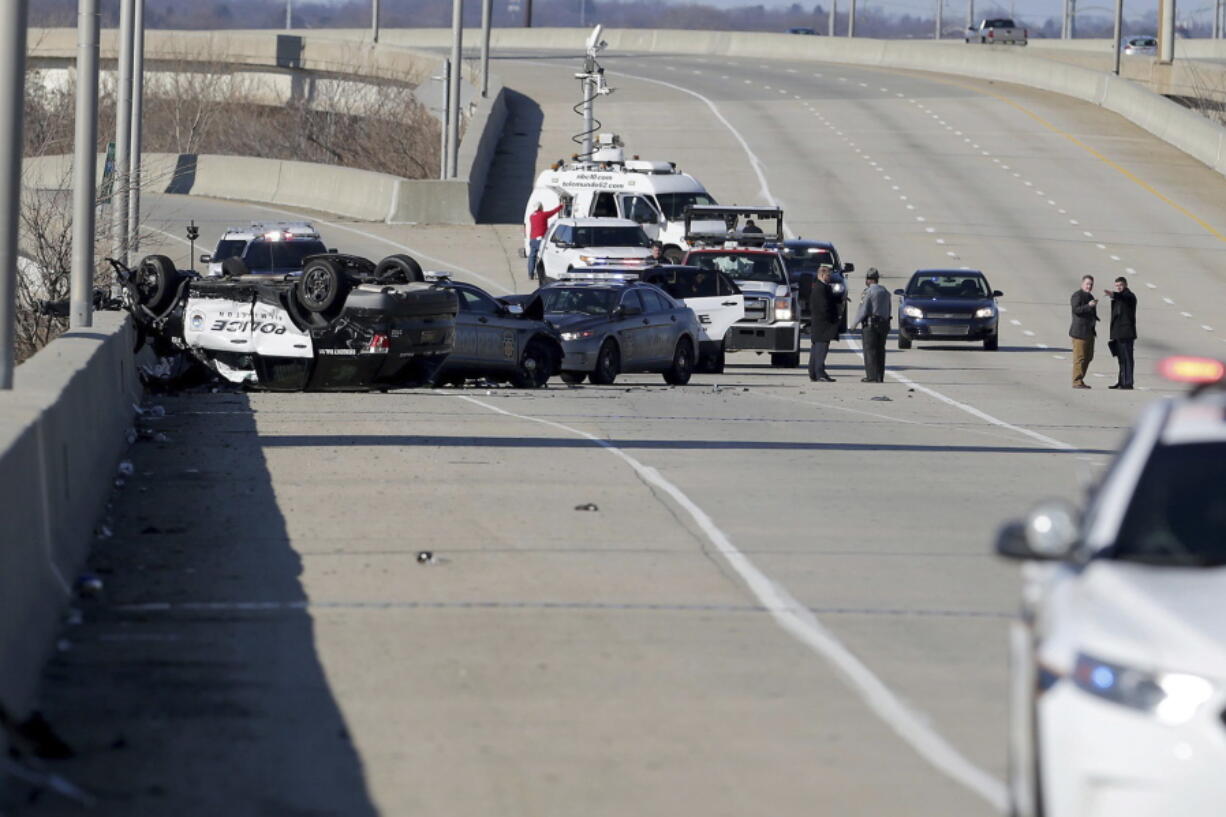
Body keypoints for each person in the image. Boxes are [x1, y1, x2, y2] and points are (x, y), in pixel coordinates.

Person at [853, 268, 891, 383]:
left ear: (869, 280)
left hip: (870, 325)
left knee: (870, 350)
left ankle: (871, 376)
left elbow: (863, 309)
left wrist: (854, 324)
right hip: (884, 323)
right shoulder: (885, 291)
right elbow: (889, 309)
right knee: (880, 350)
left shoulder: (868, 292)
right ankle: (880, 376)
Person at [808, 264, 840, 382]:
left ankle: (814, 372)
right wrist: (832, 318)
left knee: (817, 349)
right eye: (828, 275)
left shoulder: (822, 287)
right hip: (823, 324)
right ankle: (819, 373)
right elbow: (823, 306)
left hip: (819, 325)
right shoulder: (820, 288)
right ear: (821, 274)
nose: (829, 277)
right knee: (821, 350)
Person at [1105, 276, 1137, 390]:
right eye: (1117, 286)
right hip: (1118, 334)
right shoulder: (1118, 298)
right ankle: (1121, 381)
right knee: (1121, 359)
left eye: (1120, 285)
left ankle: (1128, 382)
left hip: (1126, 334)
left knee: (1127, 358)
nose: (1119, 288)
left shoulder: (1129, 296)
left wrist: (1114, 294)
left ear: (1126, 285)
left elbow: (1124, 298)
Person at [1069, 274, 1099, 389]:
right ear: (1082, 284)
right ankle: (1076, 381)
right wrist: (1088, 306)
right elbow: (1076, 310)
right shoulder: (1077, 295)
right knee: (1080, 358)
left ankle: (1080, 379)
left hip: (1089, 332)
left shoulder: (1090, 296)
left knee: (1089, 357)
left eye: (1091, 284)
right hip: (1079, 333)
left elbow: (1090, 313)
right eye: (1087, 284)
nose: (1089, 286)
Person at [526, 202, 563, 281]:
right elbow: (553, 212)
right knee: (544, 256)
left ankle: (530, 274)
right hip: (541, 240)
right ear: (541, 207)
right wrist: (561, 206)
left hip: (532, 239)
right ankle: (543, 273)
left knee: (532, 257)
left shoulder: (531, 216)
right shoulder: (543, 215)